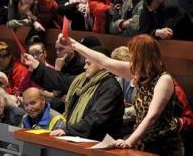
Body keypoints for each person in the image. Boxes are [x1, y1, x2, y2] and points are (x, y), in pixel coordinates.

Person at [55, 34, 183, 155]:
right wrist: (73, 44)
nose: (131, 59)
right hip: (143, 140)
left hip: (163, 145)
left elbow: (152, 117)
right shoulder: (139, 72)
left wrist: (129, 141)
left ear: (144, 57)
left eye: (134, 56)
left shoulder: (164, 79)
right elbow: (104, 61)